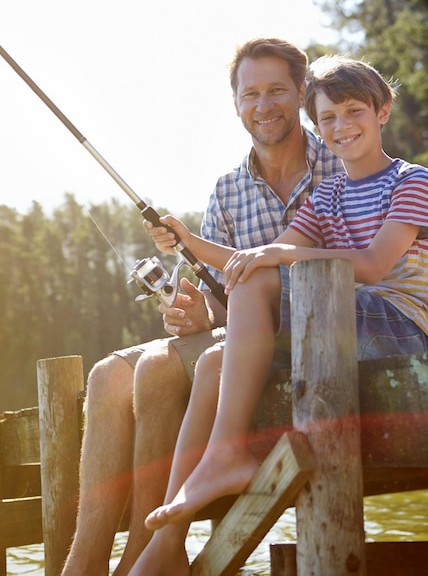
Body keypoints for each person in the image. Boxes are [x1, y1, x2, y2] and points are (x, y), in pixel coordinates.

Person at [128, 55, 428, 576]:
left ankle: (223, 456)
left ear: (382, 111)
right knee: (214, 362)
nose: (341, 126)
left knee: (261, 275)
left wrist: (281, 256)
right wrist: (188, 240)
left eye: (354, 111)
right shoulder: (327, 195)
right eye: (327, 119)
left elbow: (377, 264)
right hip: (339, 324)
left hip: (402, 328)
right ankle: (167, 543)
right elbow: (261, 256)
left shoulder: (411, 181)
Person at [60, 38, 344, 575]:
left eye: (277, 90)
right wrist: (200, 316)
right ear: (235, 102)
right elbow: (221, 301)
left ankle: (146, 556)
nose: (264, 105)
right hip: (239, 331)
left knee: (159, 368)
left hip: (306, 335)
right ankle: (84, 564)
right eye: (250, 93)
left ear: (302, 92)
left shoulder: (341, 156)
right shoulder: (226, 190)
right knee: (105, 376)